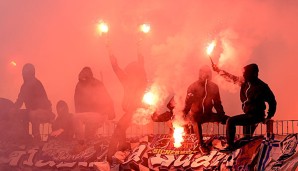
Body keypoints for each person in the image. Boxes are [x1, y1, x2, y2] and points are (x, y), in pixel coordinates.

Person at [212, 63, 277, 152]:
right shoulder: (244, 82)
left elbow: (272, 102)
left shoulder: (262, 87)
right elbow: (231, 78)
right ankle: (244, 154)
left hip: (256, 115)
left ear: (254, 74)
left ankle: (230, 146)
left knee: (231, 121)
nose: (243, 75)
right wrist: (218, 70)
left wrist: (268, 117)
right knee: (246, 137)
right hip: (248, 114)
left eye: (246, 73)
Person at [106, 50, 147, 164]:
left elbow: (141, 66)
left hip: (138, 110)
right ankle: (123, 148)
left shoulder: (141, 80)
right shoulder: (126, 80)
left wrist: (139, 48)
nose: (126, 73)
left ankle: (109, 159)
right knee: (121, 128)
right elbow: (117, 69)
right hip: (131, 110)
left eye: (129, 71)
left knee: (119, 127)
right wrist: (111, 55)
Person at [183, 65, 228, 155]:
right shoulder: (193, 86)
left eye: (209, 73)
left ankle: (231, 143)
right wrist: (184, 113)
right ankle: (201, 145)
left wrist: (221, 115)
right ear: (200, 74)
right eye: (205, 73)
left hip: (208, 114)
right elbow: (187, 103)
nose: (207, 75)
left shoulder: (214, 87)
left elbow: (217, 103)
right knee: (195, 121)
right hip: (196, 114)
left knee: (230, 120)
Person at [73, 67, 115, 148]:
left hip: (98, 114)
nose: (83, 80)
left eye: (85, 78)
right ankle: (86, 144)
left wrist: (108, 115)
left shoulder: (97, 84)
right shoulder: (79, 85)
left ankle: (81, 144)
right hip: (88, 116)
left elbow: (107, 99)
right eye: (82, 78)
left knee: (76, 118)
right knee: (88, 136)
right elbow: (77, 102)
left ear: (89, 76)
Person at [14, 63, 55, 142]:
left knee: (33, 113)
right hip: (32, 111)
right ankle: (24, 136)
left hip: (45, 112)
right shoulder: (24, 86)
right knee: (20, 113)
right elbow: (19, 101)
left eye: (26, 73)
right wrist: (13, 109)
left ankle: (37, 138)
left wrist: (36, 109)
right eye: (24, 73)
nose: (24, 75)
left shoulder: (37, 84)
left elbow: (42, 102)